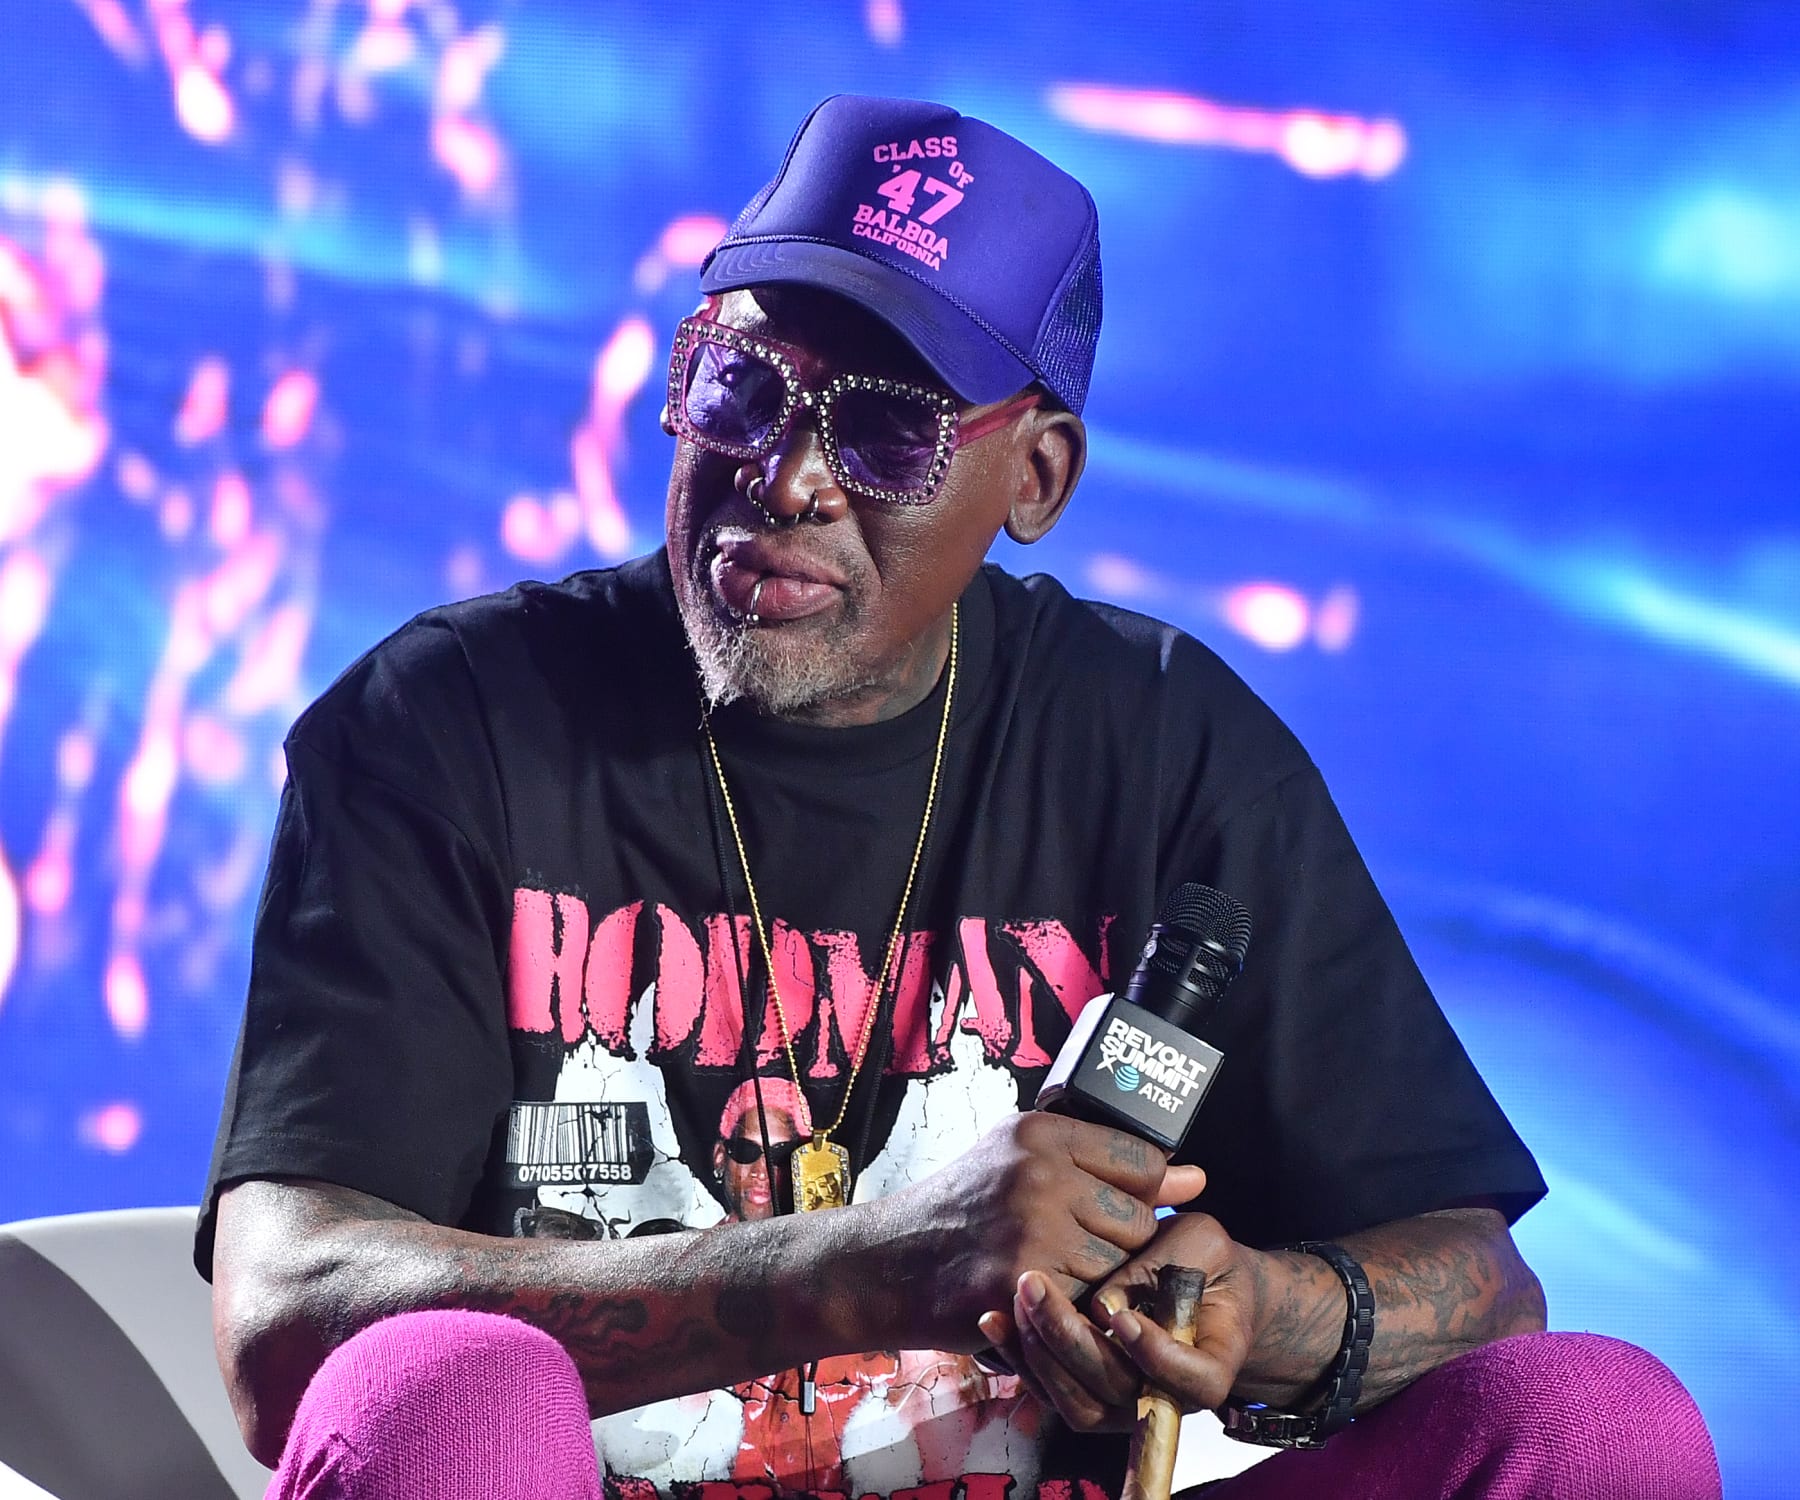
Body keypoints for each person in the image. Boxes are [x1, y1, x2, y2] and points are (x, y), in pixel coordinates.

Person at [201, 95, 1719, 1499]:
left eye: (881, 430)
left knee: (1598, 1427)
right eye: (741, 385)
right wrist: (863, 1268)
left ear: (1036, 478)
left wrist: (1256, 1313)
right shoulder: (451, 725)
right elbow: (285, 1323)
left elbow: (1489, 1286)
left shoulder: (1169, 746)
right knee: (443, 1393)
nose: (787, 477)